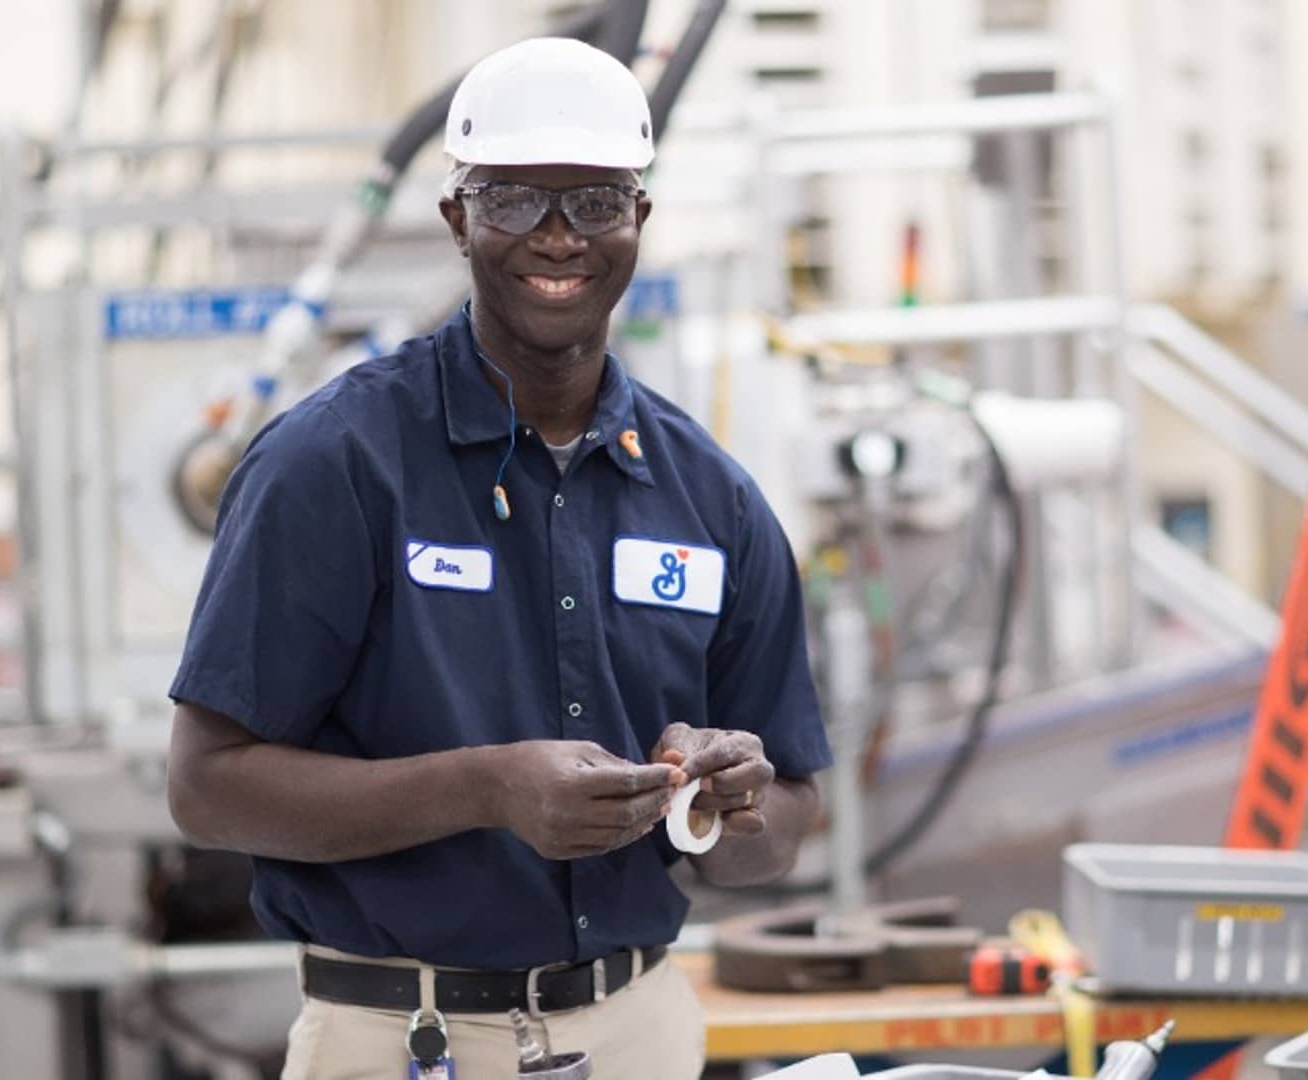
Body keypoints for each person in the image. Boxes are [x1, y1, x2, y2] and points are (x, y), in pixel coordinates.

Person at [166, 36, 830, 1080]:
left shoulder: (712, 498)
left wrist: (731, 803)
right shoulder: (334, 465)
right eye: (516, 199)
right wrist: (487, 789)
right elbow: (207, 790)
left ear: (640, 222)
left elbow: (791, 817)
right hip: (397, 1041)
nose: (559, 238)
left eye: (598, 202)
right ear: (456, 218)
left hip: (640, 1035)